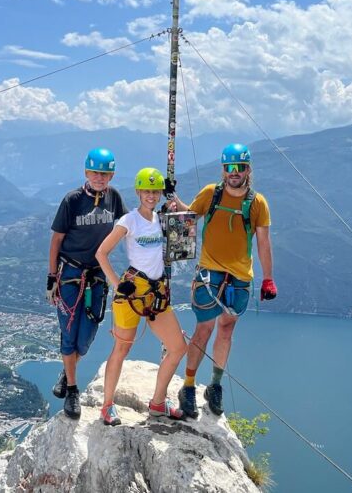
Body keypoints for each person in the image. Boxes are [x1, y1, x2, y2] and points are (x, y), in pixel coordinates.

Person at [171, 143, 277, 417]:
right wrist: (174, 200)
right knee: (203, 330)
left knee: (226, 331)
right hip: (209, 273)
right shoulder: (211, 194)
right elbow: (191, 216)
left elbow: (263, 242)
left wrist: (268, 279)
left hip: (240, 278)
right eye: (229, 167)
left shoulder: (257, 203)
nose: (233, 172)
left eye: (239, 168)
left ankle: (215, 385)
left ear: (247, 170)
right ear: (223, 169)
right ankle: (190, 387)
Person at [95, 168, 188, 426]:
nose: (150, 195)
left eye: (155, 191)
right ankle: (107, 406)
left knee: (179, 347)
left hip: (155, 292)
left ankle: (158, 403)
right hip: (132, 292)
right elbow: (101, 253)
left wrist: (173, 196)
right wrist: (117, 285)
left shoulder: (162, 218)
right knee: (122, 348)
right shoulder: (129, 221)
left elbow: (191, 219)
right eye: (146, 191)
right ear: (138, 192)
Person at [48, 147, 127, 420]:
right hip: (69, 274)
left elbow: (128, 226)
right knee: (69, 334)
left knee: (86, 336)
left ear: (112, 175)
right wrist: (51, 278)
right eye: (95, 172)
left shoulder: (113, 199)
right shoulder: (72, 200)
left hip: (96, 276)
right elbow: (56, 240)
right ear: (86, 172)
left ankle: (65, 370)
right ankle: (72, 390)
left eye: (104, 173)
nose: (99, 178)